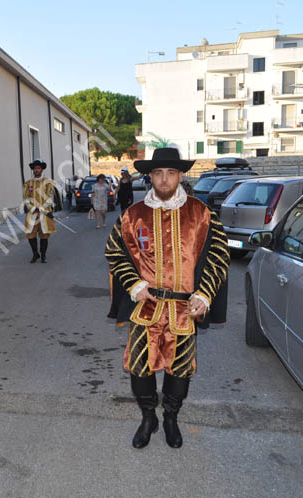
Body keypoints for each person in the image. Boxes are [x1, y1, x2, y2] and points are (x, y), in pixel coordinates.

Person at [105, 147, 229, 449]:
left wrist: (205, 293)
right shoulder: (132, 215)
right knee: (139, 368)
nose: (164, 180)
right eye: (158, 173)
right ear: (150, 176)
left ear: (180, 176)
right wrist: (134, 284)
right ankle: (148, 418)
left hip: (184, 309)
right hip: (145, 308)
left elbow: (219, 253)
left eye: (170, 173)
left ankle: (171, 417)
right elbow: (114, 251)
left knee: (181, 370)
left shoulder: (201, 213)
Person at [23, 160, 57, 263]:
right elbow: (26, 198)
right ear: (33, 170)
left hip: (45, 213)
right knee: (30, 234)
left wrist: (42, 207)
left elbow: (50, 197)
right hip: (32, 213)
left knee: (44, 235)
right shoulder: (28, 183)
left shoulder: (48, 182)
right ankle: (35, 254)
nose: (36, 170)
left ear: (41, 169)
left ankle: (43, 255)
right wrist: (32, 208)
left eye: (38, 168)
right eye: (35, 168)